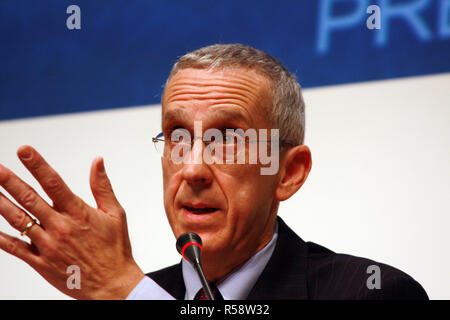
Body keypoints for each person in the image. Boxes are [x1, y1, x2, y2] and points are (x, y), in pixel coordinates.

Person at [0, 44, 428, 300]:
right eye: (178, 136)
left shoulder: (372, 293)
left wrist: (126, 291)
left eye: (227, 138)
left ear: (288, 172)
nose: (193, 169)